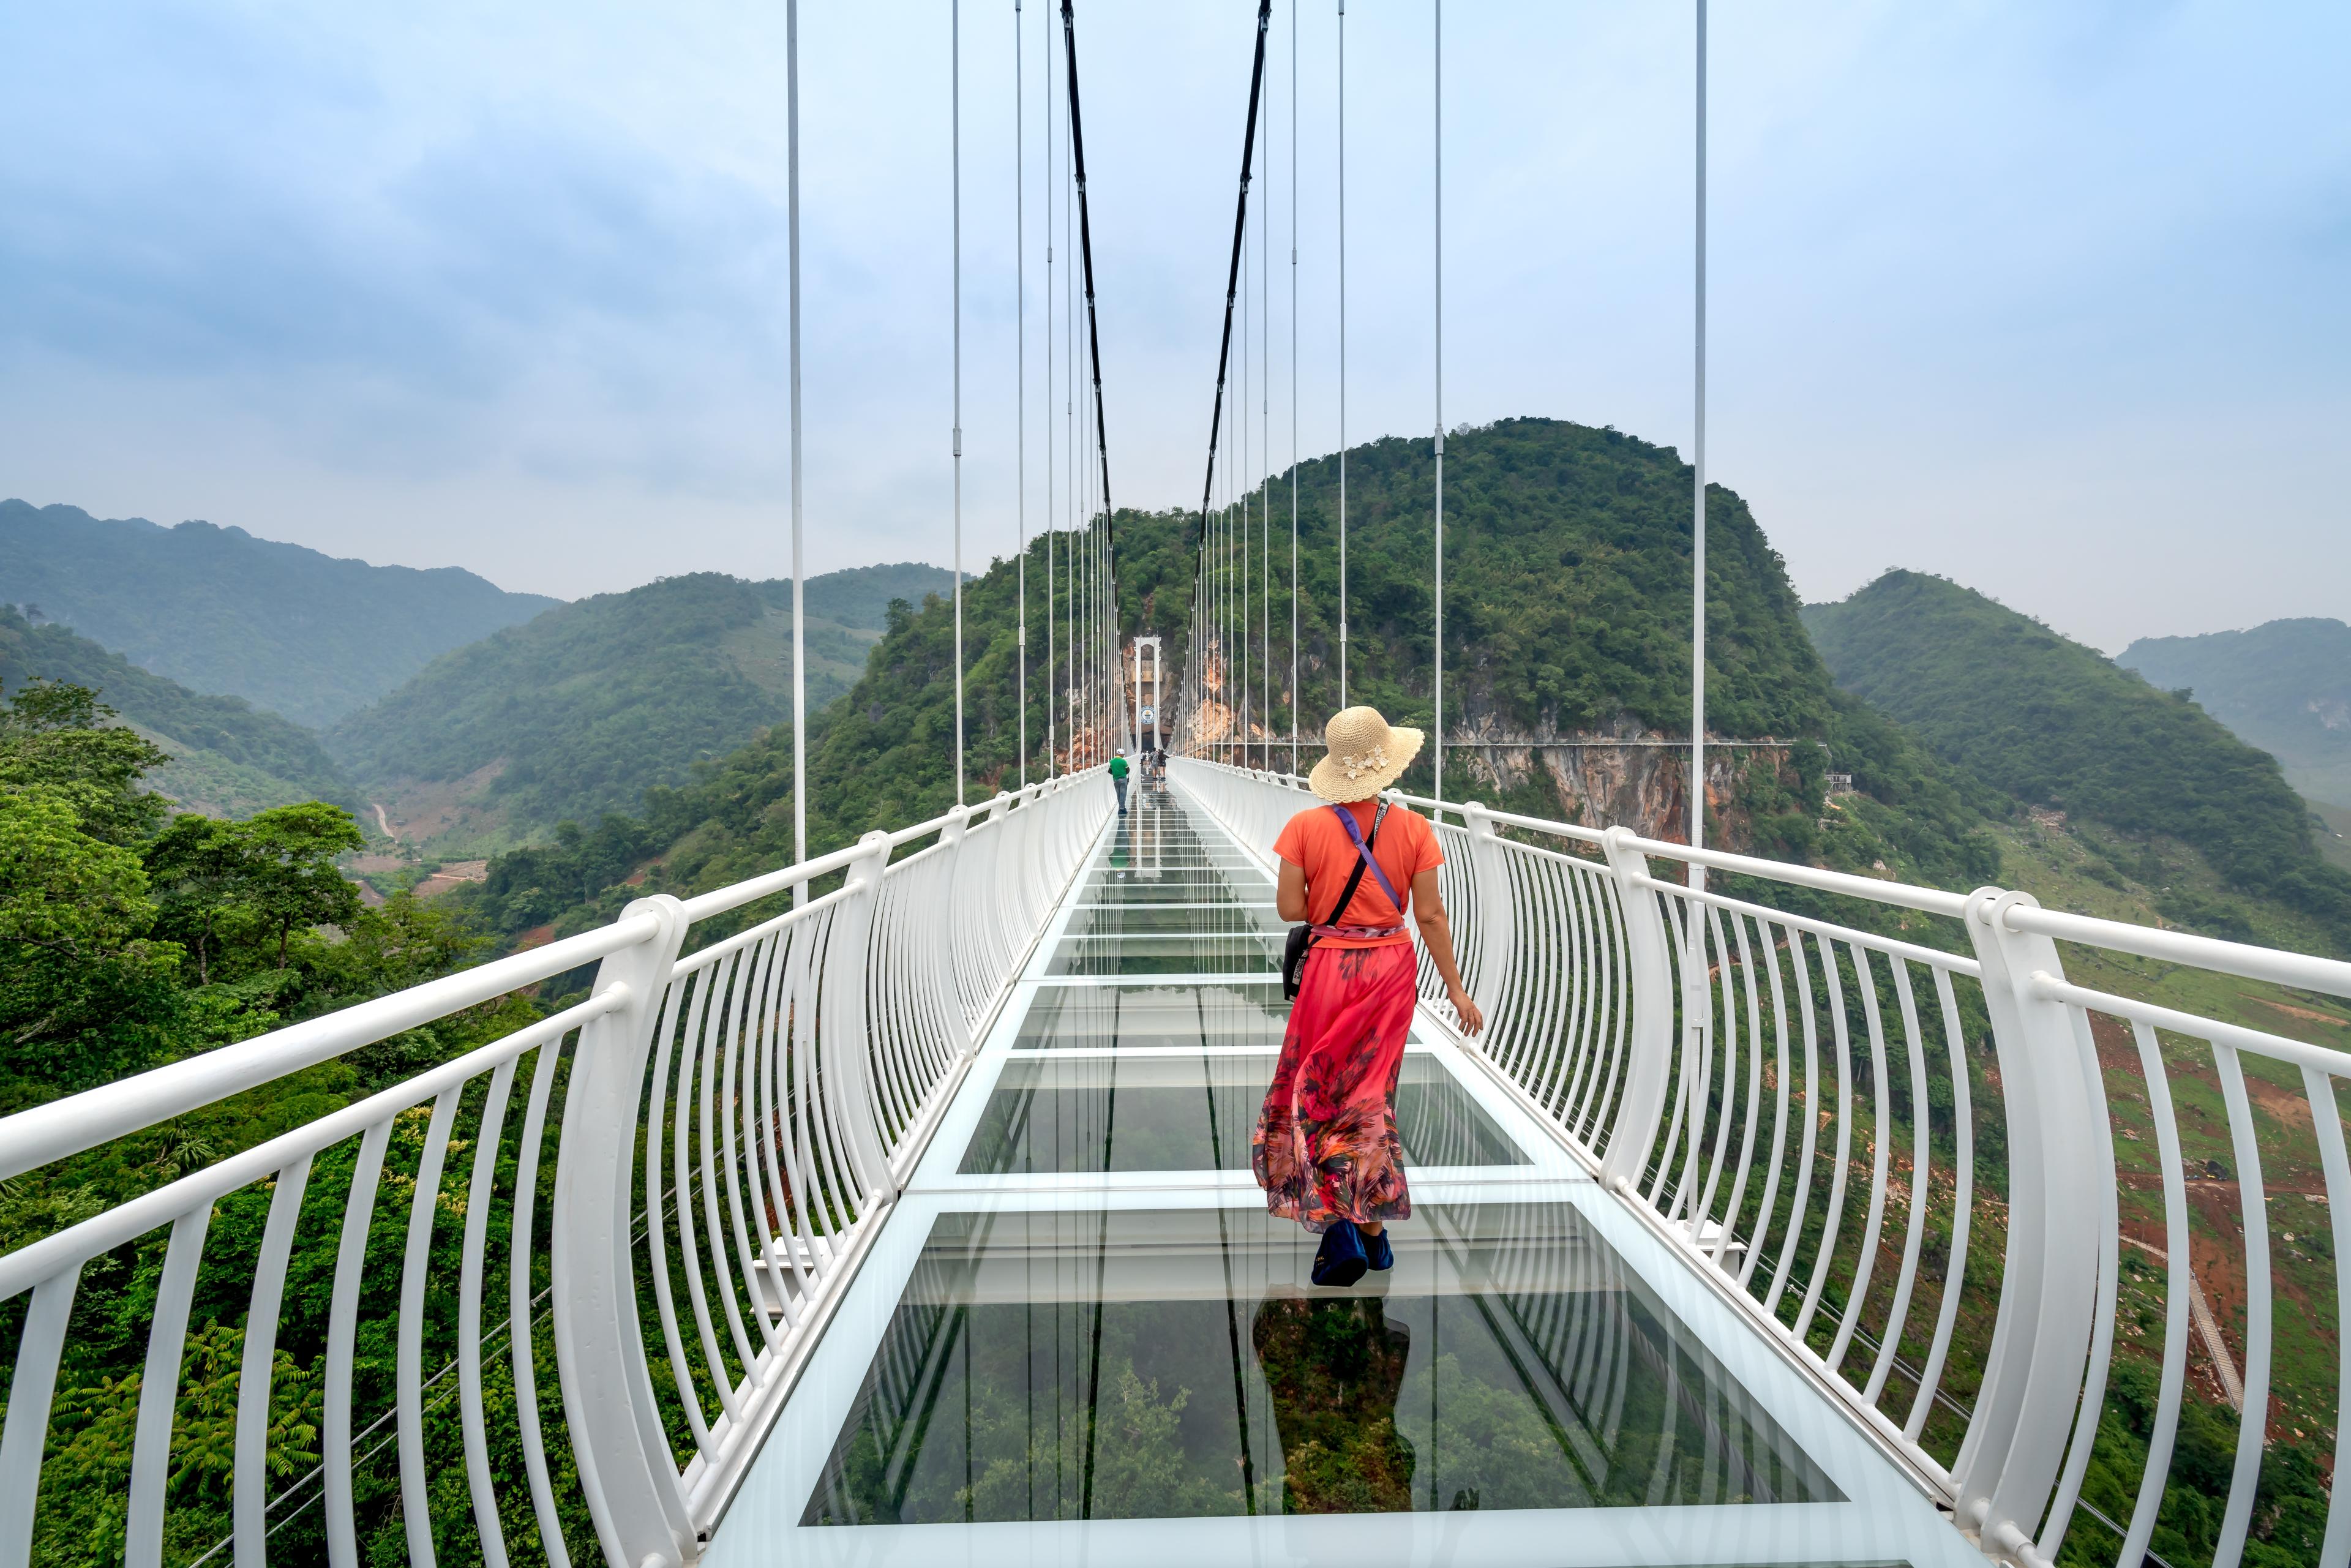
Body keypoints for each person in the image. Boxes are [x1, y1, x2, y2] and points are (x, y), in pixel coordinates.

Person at [1253, 706, 1485, 1288]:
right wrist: (1456, 991)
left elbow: (1289, 909)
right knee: (1368, 1095)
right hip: (1391, 971)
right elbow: (1429, 914)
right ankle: (1373, 1229)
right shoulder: (1413, 829)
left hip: (1331, 967)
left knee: (1315, 1089)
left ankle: (1343, 1225)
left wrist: (1331, 902)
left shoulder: (1304, 828)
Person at [1108, 750, 1129, 814]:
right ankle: (1121, 809)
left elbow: (1109, 771)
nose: (1123, 756)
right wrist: (1123, 773)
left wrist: (1115, 774)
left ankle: (1122, 807)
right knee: (1123, 794)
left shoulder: (1111, 761)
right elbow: (1128, 770)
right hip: (1123, 779)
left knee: (1119, 794)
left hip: (1116, 780)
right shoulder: (1123, 761)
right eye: (1123, 755)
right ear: (1122, 755)